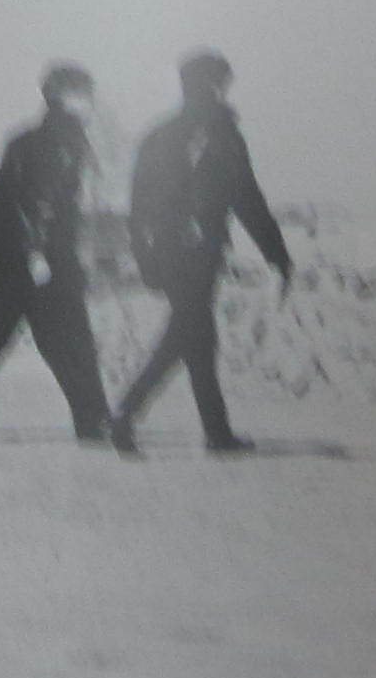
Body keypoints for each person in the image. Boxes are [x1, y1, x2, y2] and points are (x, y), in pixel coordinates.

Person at [109, 50, 292, 456]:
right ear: (208, 85)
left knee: (197, 338)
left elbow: (139, 209)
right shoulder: (216, 137)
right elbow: (247, 200)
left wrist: (145, 257)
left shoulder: (164, 136)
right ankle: (125, 412)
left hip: (182, 254)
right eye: (219, 83)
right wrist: (277, 254)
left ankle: (215, 431)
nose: (222, 91)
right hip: (189, 255)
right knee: (186, 334)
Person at [0, 63, 113, 442]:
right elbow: (36, 203)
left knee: (10, 335)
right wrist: (37, 253)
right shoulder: (56, 141)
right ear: (60, 97)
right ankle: (92, 419)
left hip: (27, 256)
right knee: (55, 337)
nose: (89, 102)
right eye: (82, 94)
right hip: (32, 258)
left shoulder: (44, 139)